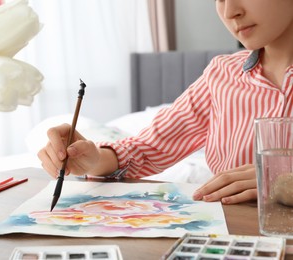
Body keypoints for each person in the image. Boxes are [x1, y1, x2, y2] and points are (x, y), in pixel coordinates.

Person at [38, 0, 293, 204]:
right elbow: (148, 147)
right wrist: (94, 159)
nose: (230, 11)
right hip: (232, 242)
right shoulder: (222, 75)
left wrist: (283, 181)